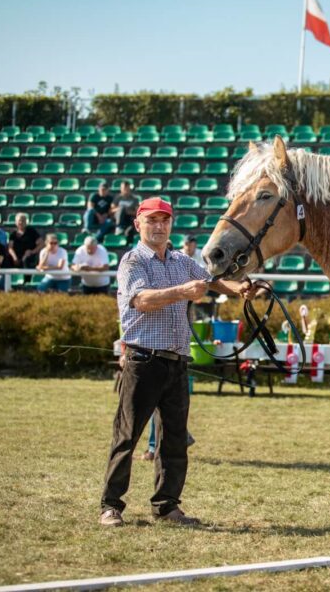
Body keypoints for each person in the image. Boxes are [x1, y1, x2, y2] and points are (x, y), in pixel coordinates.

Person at [99, 196, 261, 527]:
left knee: (174, 440)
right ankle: (111, 505)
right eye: (152, 220)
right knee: (127, 437)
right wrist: (181, 292)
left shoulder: (181, 260)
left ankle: (167, 506)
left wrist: (241, 288)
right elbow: (141, 300)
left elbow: (213, 280)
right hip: (143, 361)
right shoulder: (133, 262)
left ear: (171, 224)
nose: (159, 226)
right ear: (138, 224)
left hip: (176, 363)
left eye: (164, 220)